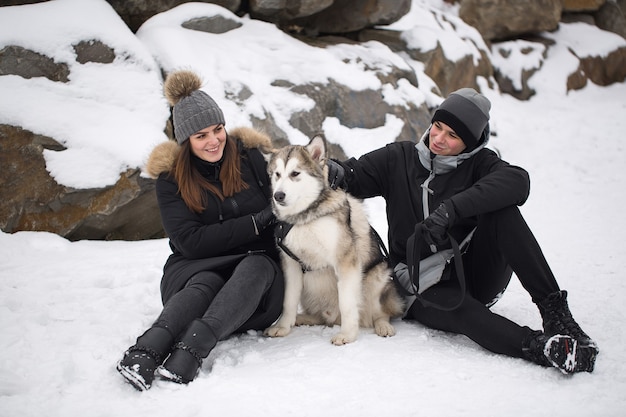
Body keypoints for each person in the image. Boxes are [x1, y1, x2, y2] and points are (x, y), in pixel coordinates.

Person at [327, 88, 599, 374]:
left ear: (469, 143)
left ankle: (555, 313)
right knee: (463, 314)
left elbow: (518, 181)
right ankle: (542, 347)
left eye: (453, 136)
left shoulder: (480, 165)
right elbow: (353, 175)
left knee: (503, 211)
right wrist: (336, 171)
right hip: (420, 285)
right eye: (438, 127)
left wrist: (451, 210)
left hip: (475, 272)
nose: (439, 139)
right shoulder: (399, 158)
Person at [116, 70, 283, 391]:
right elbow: (189, 243)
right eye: (201, 135)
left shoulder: (251, 159)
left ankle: (192, 350)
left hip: (256, 285)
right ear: (185, 141)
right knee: (206, 281)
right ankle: (146, 350)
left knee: (257, 265)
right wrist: (256, 221)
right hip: (194, 269)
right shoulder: (171, 180)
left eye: (218, 129)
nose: (213, 140)